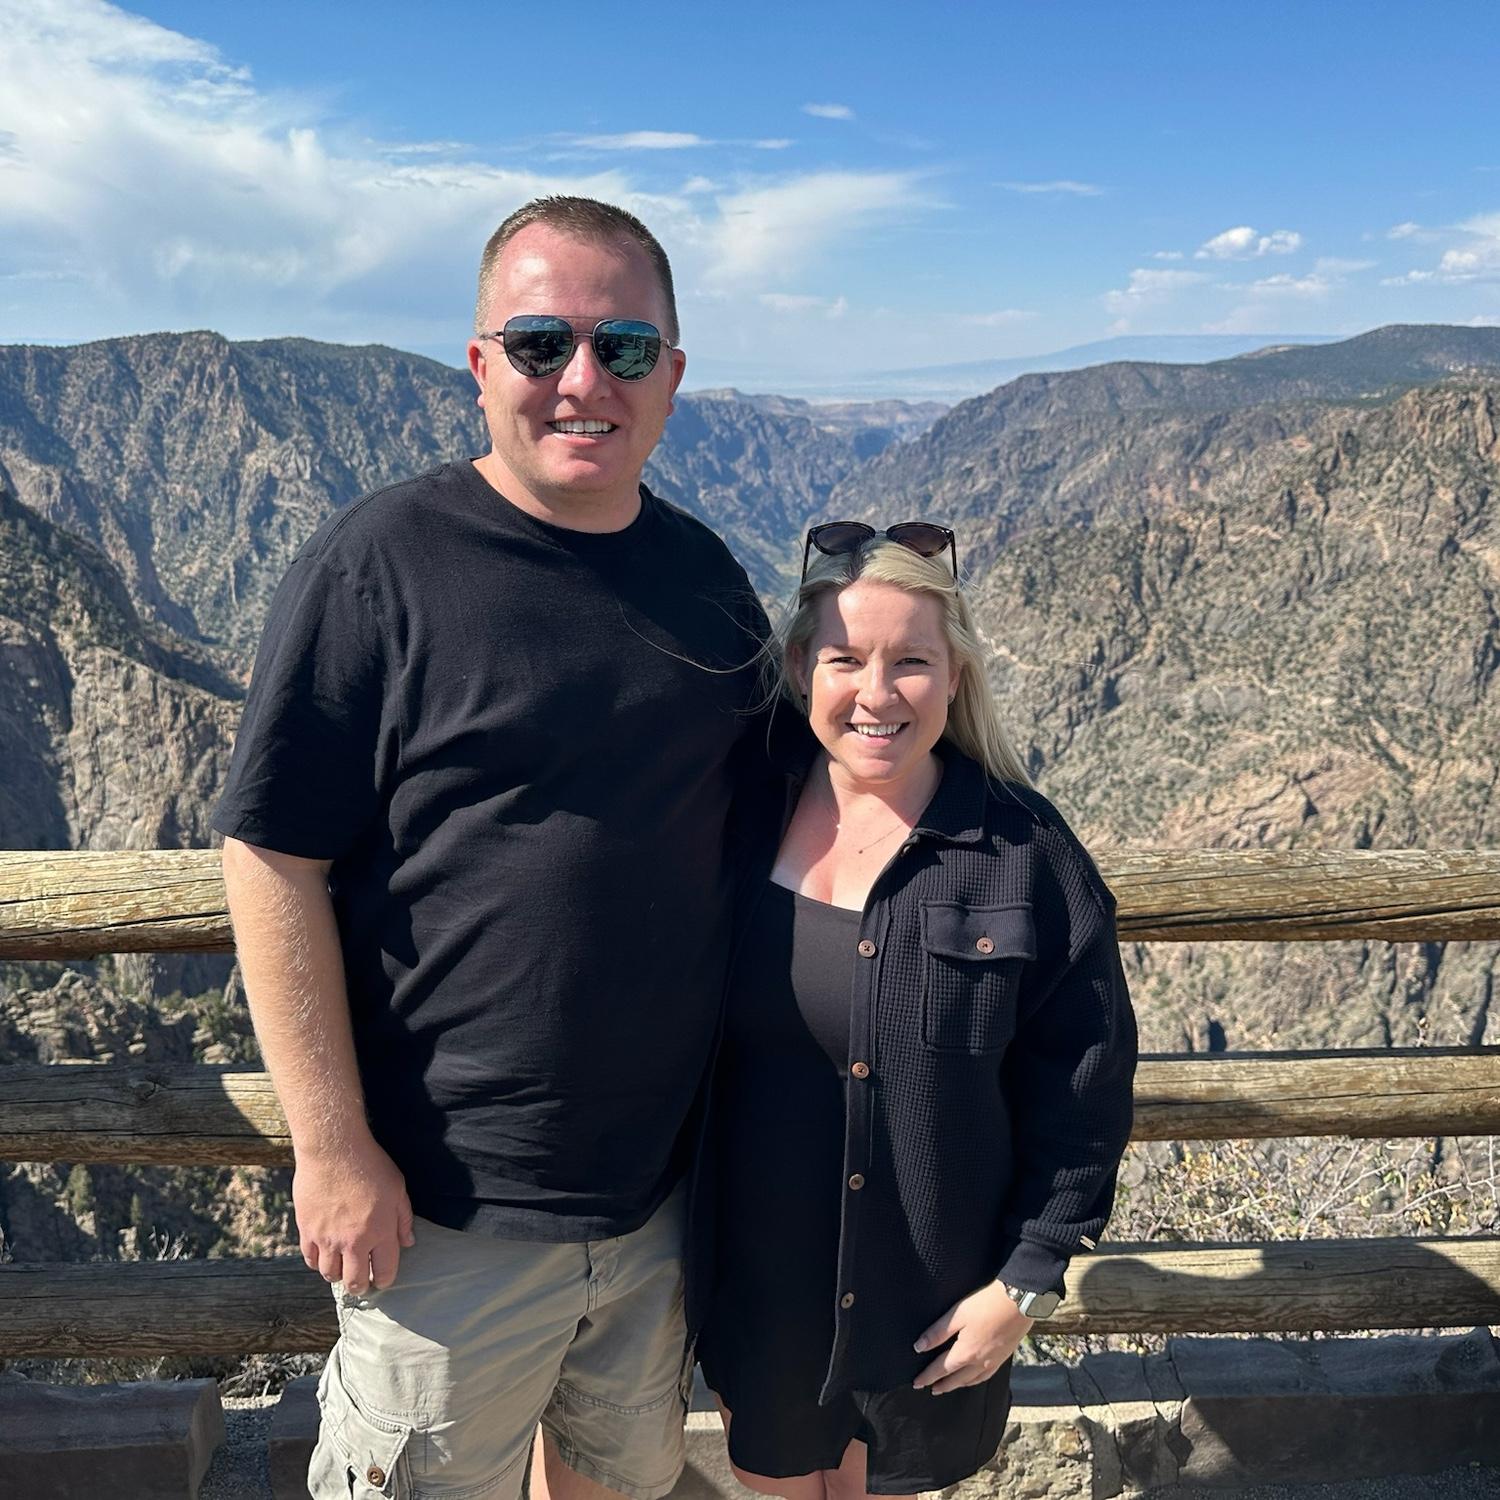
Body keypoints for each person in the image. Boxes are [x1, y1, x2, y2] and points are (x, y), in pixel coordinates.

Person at [213, 196, 768, 1500]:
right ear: (480, 365)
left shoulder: (707, 580)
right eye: (539, 343)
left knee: (613, 1485)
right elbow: (271, 857)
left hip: (658, 1203)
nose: (582, 380)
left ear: (672, 375)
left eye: (622, 347)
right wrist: (331, 1148)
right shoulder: (380, 565)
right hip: (441, 1215)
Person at [694, 521, 1137, 1499]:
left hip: (927, 1313)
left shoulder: (1025, 855)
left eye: (911, 662)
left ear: (956, 675)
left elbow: (1085, 1095)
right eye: (846, 658)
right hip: (756, 1299)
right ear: (803, 668)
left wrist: (1023, 1286)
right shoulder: (735, 820)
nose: (877, 692)